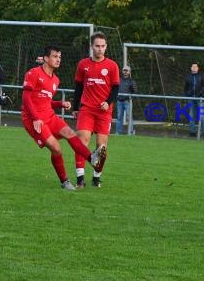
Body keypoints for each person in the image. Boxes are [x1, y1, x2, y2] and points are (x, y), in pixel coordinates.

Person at [22, 46, 106, 190]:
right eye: (55, 56)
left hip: (49, 116)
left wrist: (60, 104)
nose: (58, 59)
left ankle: (92, 159)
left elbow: (45, 101)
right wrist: (36, 118)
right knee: (56, 148)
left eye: (59, 57)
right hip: (33, 119)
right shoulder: (33, 73)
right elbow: (26, 98)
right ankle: (65, 181)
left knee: (70, 133)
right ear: (46, 58)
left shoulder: (55, 80)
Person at [73, 31, 119, 188]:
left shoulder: (112, 66)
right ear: (91, 46)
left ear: (106, 47)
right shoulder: (82, 64)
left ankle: (96, 177)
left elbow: (115, 88)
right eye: (97, 46)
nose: (100, 49)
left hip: (104, 111)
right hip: (87, 109)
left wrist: (108, 102)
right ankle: (80, 179)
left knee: (101, 146)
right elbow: (78, 87)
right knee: (82, 141)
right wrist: (75, 107)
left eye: (103, 46)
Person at [183, 62, 204, 136]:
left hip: (200, 98)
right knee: (191, 114)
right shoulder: (188, 77)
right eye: (193, 66)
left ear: (198, 68)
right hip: (191, 98)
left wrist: (203, 95)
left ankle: (203, 132)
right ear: (191, 68)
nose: (194, 68)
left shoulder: (202, 76)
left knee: (201, 115)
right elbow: (185, 88)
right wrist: (187, 95)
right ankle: (192, 132)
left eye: (196, 66)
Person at [116, 65, 138, 135]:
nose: (125, 72)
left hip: (127, 101)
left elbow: (135, 91)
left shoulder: (132, 81)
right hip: (119, 101)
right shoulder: (119, 80)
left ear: (129, 72)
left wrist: (130, 98)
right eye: (124, 70)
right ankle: (118, 132)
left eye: (127, 71)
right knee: (119, 117)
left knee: (129, 117)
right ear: (122, 71)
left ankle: (131, 132)